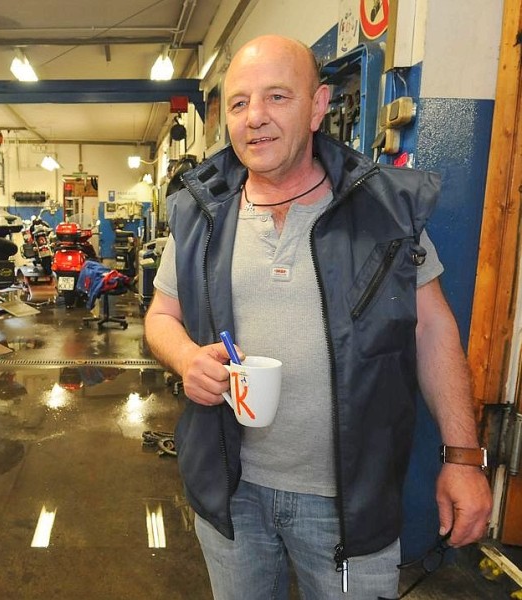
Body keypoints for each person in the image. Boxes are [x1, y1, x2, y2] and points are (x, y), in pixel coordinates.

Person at [144, 35, 492, 599]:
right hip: (231, 492)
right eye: (238, 103)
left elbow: (433, 331)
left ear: (319, 105)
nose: (254, 118)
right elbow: (161, 314)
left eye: (277, 96)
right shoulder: (198, 212)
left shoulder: (384, 208)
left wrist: (463, 458)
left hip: (348, 503)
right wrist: (186, 358)